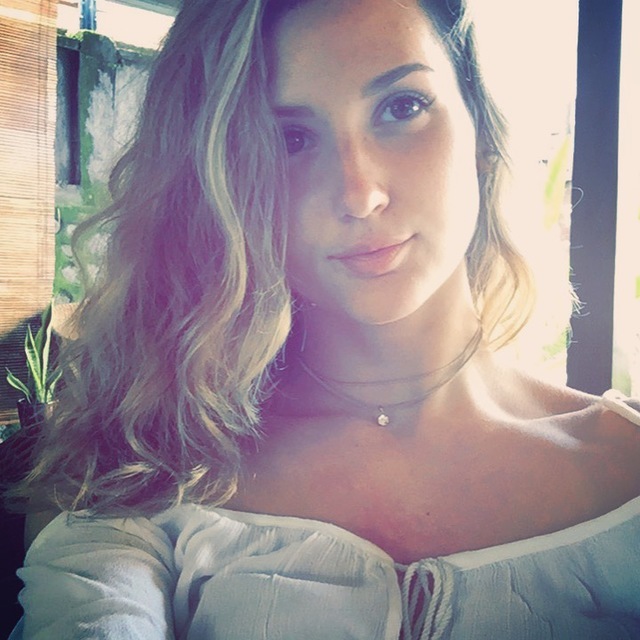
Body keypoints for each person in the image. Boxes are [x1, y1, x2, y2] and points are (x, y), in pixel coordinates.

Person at [11, 0, 640, 638]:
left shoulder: (629, 471)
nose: (358, 194)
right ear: (219, 182)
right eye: (289, 139)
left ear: (478, 126)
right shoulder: (147, 478)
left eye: (402, 107)